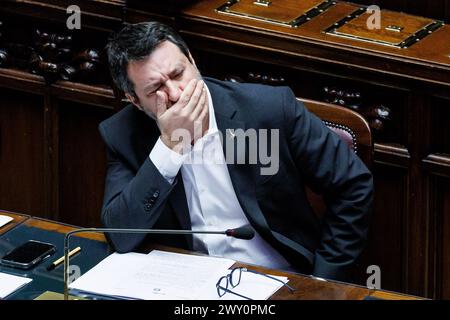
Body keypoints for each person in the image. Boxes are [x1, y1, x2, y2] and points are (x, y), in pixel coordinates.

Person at [100, 21, 373, 281]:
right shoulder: (123, 134)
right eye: (156, 88)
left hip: (278, 278)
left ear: (193, 61)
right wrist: (169, 146)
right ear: (134, 101)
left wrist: (322, 280)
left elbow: (353, 186)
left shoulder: (268, 110)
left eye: (178, 74)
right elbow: (120, 235)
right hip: (185, 283)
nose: (175, 93)